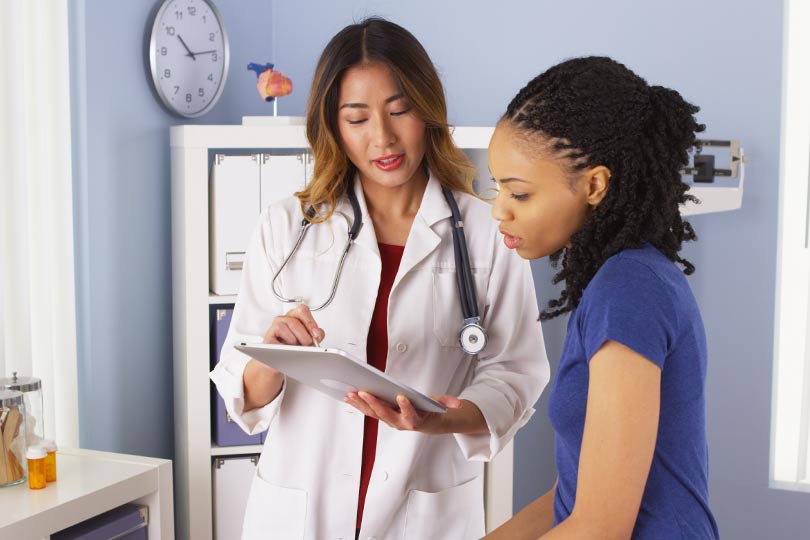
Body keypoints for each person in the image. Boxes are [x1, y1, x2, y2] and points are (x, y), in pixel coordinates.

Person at [210, 18, 549, 540]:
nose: (383, 138)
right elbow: (243, 391)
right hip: (301, 514)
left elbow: (517, 373)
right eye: (357, 118)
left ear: (427, 110)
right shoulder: (287, 226)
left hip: (424, 513)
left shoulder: (486, 231)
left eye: (400, 110)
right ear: (333, 125)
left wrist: (443, 419)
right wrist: (270, 354)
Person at [485, 57, 720, 539]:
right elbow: (568, 501)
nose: (499, 211)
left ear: (594, 185)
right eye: (497, 189)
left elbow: (599, 527)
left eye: (520, 194)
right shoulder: (613, 283)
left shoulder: (628, 287)